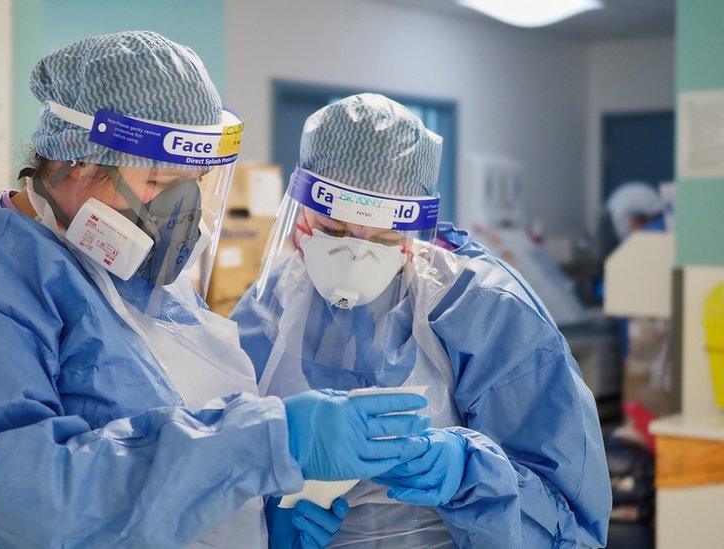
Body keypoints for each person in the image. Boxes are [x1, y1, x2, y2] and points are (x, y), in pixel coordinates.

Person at [0, 33, 430, 548]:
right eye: (159, 181)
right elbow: (41, 501)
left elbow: (164, 458)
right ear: (78, 163)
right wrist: (269, 441)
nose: (183, 212)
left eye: (194, 184)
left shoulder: (140, 284)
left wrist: (245, 520)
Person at [231, 94, 612, 548]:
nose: (354, 253)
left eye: (383, 236)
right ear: (301, 214)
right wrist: (264, 526)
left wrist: (471, 476)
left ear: (414, 233)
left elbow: (571, 527)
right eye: (334, 231)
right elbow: (223, 468)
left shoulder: (482, 310)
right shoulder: (266, 312)